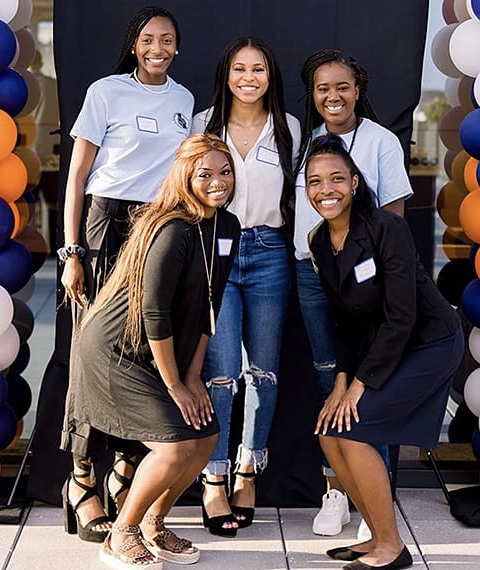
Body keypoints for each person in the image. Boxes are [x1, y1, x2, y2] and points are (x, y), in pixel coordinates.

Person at [62, 133, 240, 569]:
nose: (218, 182)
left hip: (155, 351)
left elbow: (208, 306)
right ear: (184, 176)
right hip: (114, 350)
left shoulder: (226, 226)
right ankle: (120, 534)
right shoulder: (171, 227)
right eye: (205, 174)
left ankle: (153, 523)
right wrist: (176, 384)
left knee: (207, 436)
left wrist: (194, 375)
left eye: (225, 171)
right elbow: (155, 312)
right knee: (174, 445)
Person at [58, 6, 194, 543]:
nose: (157, 47)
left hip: (156, 229)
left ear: (177, 48)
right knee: (88, 352)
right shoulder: (106, 91)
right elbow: (78, 175)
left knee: (140, 348)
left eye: (167, 40)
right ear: (134, 45)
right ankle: (82, 478)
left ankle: (125, 470)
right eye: (148, 39)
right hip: (104, 225)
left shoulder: (185, 102)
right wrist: (73, 252)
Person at [305, 134, 464, 570]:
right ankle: (375, 535)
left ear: (355, 182)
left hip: (429, 343)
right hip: (380, 347)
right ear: (306, 190)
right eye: (315, 181)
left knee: (354, 430)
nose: (326, 190)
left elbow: (401, 317)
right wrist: (340, 383)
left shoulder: (385, 228)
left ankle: (391, 547)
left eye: (337, 178)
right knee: (328, 431)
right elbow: (344, 320)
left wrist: (360, 385)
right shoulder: (319, 240)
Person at [294, 49, 414, 537]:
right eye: (323, 88)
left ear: (358, 90)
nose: (333, 96)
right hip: (312, 273)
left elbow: (395, 216)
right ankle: (336, 493)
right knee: (330, 380)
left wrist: (383, 283)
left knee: (369, 382)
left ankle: (374, 502)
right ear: (314, 95)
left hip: (366, 280)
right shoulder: (305, 141)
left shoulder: (381, 141)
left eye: (342, 86)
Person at [192, 36, 300, 535]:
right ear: (227, 74)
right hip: (216, 249)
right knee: (220, 371)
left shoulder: (289, 128)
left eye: (258, 69)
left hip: (270, 251)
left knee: (263, 370)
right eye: (240, 69)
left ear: (270, 77)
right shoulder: (204, 124)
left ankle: (247, 470)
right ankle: (213, 479)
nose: (249, 78)